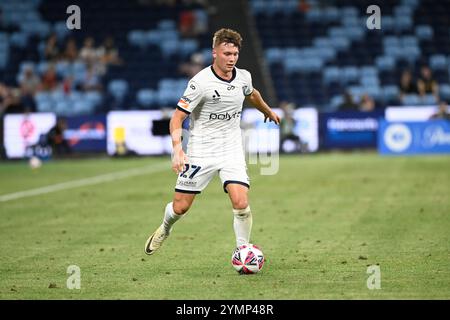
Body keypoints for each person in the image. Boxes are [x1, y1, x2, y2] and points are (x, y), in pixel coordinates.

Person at [144, 28, 281, 255]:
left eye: (235, 54)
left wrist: (267, 110)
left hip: (231, 149)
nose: (232, 58)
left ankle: (243, 251)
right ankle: (165, 228)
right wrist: (178, 150)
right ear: (214, 53)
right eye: (227, 53)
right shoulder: (200, 83)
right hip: (200, 151)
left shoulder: (243, 76)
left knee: (241, 202)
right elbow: (177, 117)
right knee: (180, 207)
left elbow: (252, 93)